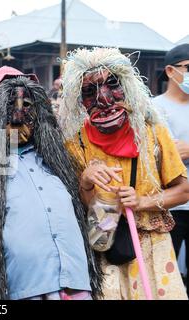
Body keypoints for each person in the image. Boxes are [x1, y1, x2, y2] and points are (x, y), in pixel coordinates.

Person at [60, 47, 189, 300]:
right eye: (89, 91)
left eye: (112, 84)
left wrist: (142, 202)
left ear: (127, 86)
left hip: (152, 249)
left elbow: (184, 190)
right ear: (79, 99)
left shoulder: (153, 133)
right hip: (104, 245)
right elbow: (80, 207)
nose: (104, 99)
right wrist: (86, 183)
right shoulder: (76, 144)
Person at [0, 66, 102, 300]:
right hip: (26, 284)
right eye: (9, 109)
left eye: (27, 109)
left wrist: (85, 185)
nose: (18, 118)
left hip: (75, 279)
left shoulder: (59, 159)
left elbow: (85, 210)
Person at [153, 43, 189, 295]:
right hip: (171, 205)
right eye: (188, 68)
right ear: (170, 71)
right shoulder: (154, 108)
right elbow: (156, 154)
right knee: (168, 276)